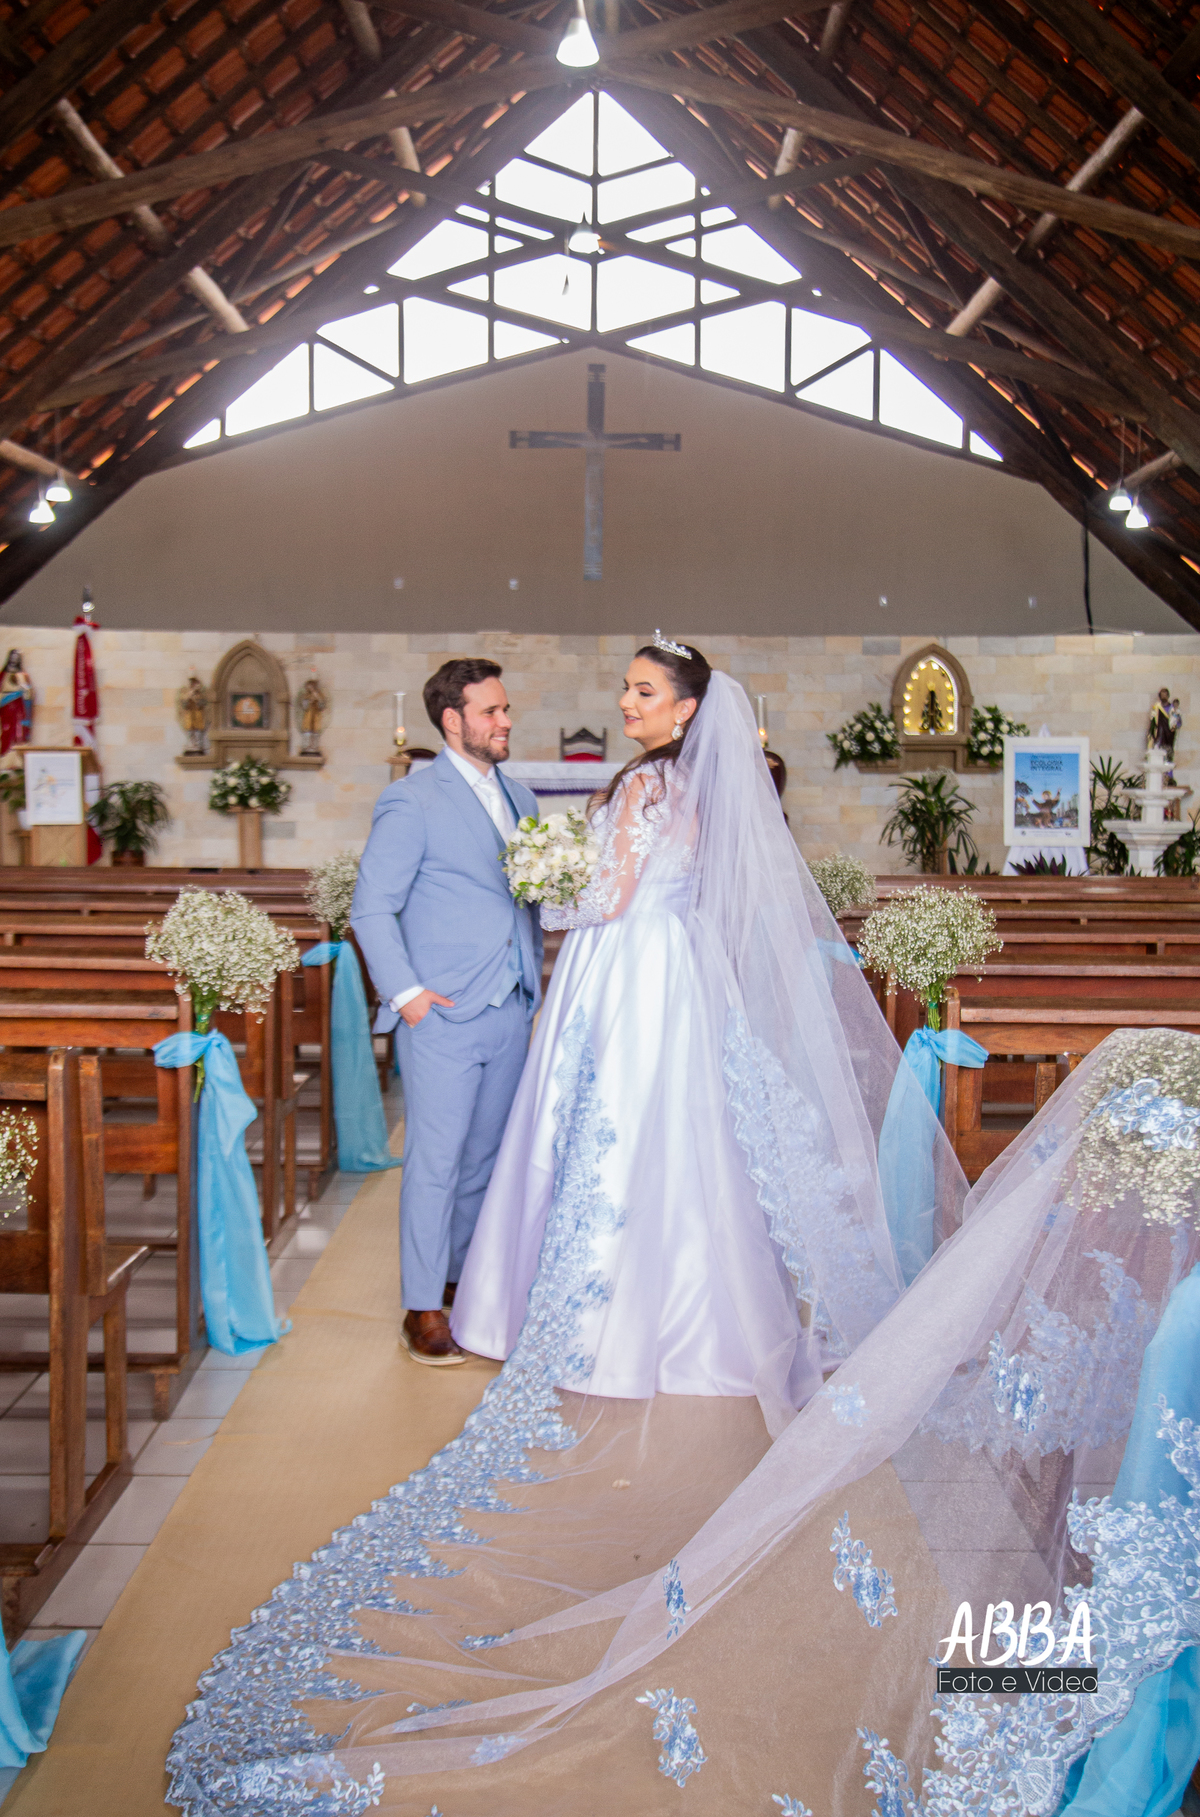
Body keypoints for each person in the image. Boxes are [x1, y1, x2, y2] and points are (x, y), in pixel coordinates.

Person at [169, 644, 1200, 1815]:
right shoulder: (697, 784)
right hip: (670, 977)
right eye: (626, 689)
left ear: (688, 707)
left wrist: (560, 885)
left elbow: (607, 896)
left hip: (622, 970)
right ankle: (678, 1304)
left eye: (644, 691)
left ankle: (592, 1308)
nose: (625, 702)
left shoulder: (648, 786)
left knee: (609, 1139)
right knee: (674, 1144)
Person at [350, 658, 542, 1366]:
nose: (505, 721)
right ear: (453, 720)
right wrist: (407, 996)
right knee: (435, 1161)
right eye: (491, 711)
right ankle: (422, 1305)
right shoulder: (413, 799)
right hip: (441, 1012)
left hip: (510, 1006)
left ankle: (462, 1281)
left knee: (485, 1160)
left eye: (505, 708)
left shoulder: (522, 796)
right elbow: (372, 907)